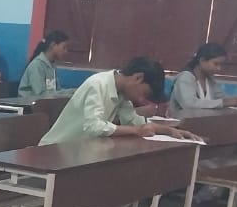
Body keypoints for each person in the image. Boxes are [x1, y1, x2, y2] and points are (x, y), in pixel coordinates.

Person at [40, 57, 201, 145]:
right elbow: (93, 126)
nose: (141, 99)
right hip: (54, 152)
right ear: (138, 78)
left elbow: (135, 122)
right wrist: (136, 131)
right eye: (144, 93)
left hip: (79, 151)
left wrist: (168, 131)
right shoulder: (98, 84)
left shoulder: (122, 93)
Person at [171, 43, 237, 110]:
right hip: (181, 123)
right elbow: (189, 104)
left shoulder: (210, 80)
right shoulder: (185, 78)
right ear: (202, 60)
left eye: (221, 65)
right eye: (216, 64)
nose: (219, 68)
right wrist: (225, 102)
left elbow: (220, 98)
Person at [19, 30, 69, 97]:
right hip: (28, 102)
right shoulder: (37, 65)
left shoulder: (52, 65)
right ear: (53, 45)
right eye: (64, 47)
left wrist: (72, 92)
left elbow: (56, 91)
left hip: (45, 102)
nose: (66, 51)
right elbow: (41, 94)